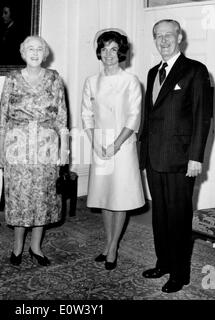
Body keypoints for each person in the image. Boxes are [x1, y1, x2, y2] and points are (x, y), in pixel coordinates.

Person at [139, 19, 212, 293]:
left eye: (169, 35)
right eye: (158, 36)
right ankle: (164, 263)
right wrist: (142, 154)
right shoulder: (151, 73)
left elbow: (202, 117)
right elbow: (150, 116)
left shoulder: (195, 70)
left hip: (182, 160)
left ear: (179, 37)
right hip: (154, 158)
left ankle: (180, 274)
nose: (164, 40)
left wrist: (196, 157)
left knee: (178, 218)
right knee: (160, 215)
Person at [0, 35, 69, 267]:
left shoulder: (54, 79)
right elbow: (2, 116)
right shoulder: (12, 78)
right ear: (23, 52)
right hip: (17, 145)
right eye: (30, 48)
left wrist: (65, 149)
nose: (35, 52)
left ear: (45, 53)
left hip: (46, 146)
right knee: (19, 198)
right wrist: (0, 149)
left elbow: (62, 117)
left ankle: (36, 247)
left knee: (43, 198)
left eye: (40, 49)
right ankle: (17, 246)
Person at [81, 29, 145, 270]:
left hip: (122, 146)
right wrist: (95, 143)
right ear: (99, 52)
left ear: (121, 53)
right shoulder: (91, 81)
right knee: (105, 197)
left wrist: (115, 145)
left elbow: (133, 117)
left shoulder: (130, 81)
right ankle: (108, 243)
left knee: (119, 198)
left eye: (114, 49)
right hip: (99, 146)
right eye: (104, 49)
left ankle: (114, 246)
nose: (108, 54)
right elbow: (86, 115)